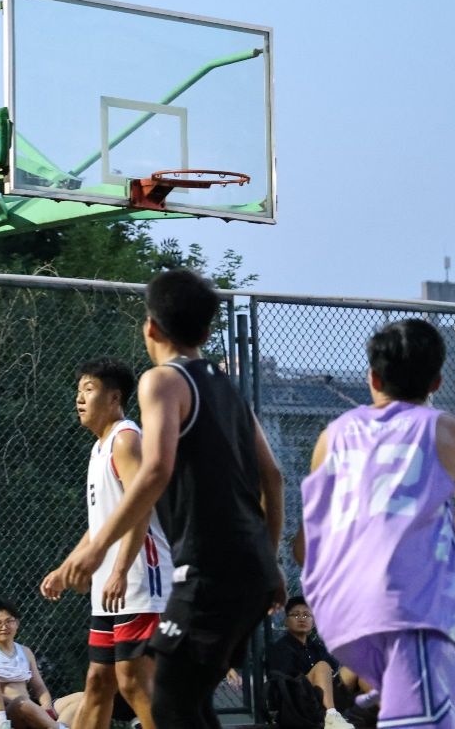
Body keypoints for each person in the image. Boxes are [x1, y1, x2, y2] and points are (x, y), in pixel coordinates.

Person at [50, 269, 286, 729]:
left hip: (206, 572)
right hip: (251, 572)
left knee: (164, 700)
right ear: (207, 331)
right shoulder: (227, 387)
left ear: (151, 328)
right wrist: (271, 560)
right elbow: (273, 477)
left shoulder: (161, 381)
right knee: (182, 702)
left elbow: (156, 471)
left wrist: (99, 551)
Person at [300, 319, 455, 729]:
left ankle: (372, 698)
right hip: (414, 614)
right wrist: (431, 519)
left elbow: (306, 542)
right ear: (437, 381)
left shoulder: (333, 437)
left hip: (343, 615)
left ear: (372, 377)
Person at [40, 358, 169, 729]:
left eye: (89, 389)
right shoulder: (99, 449)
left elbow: (141, 508)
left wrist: (120, 570)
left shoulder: (126, 440)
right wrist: (67, 567)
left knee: (133, 682)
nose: (79, 398)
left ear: (114, 398)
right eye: (79, 390)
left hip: (139, 580)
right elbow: (101, 525)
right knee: (98, 682)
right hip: (109, 585)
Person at [266, 597, 374, 729]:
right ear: (286, 621)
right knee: (322, 666)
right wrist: (318, 674)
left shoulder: (317, 647)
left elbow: (334, 671)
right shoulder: (280, 648)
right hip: (298, 704)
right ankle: (331, 719)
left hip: (324, 699)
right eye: (296, 614)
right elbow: (285, 684)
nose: (301, 618)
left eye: (306, 615)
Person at [0, 600, 77, 729]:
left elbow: (39, 687)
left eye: (9, 621)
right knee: (22, 702)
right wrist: (25, 704)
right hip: (9, 711)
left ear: (17, 623)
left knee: (81, 698)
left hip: (32, 706)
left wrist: (46, 707)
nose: (4, 627)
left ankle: (58, 725)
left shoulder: (25, 651)